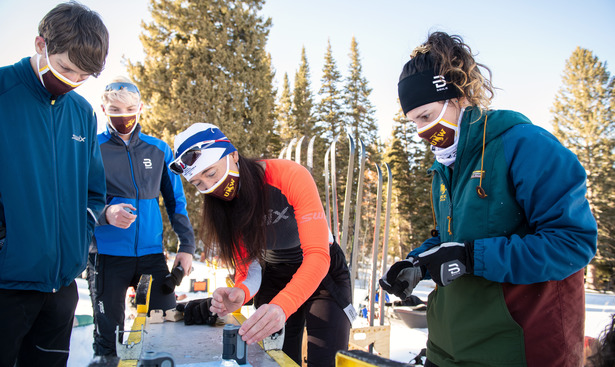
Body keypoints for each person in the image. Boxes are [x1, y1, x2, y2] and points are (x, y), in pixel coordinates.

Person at [380, 31, 597, 367]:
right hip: (448, 347)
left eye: (426, 116)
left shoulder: (524, 145)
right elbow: (453, 239)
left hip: (515, 348)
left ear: (458, 96)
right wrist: (419, 263)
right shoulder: (446, 166)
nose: (423, 133)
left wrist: (471, 258)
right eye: (413, 123)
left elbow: (573, 243)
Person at [169, 123, 353, 367]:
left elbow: (318, 256)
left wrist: (282, 306)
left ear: (232, 154)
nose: (210, 187)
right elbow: (250, 269)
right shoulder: (224, 212)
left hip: (323, 275)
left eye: (211, 173)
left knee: (327, 360)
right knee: (275, 361)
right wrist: (240, 293)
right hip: (275, 275)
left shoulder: (288, 175)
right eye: (199, 184)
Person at [0, 3, 108, 366]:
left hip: (62, 290)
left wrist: (82, 232)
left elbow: (94, 191)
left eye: (83, 76)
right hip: (6, 287)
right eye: (64, 68)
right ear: (40, 44)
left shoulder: (81, 112)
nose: (72, 81)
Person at [87, 77, 196, 359]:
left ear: (141, 107)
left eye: (130, 110)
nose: (124, 117)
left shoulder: (158, 149)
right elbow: (75, 199)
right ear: (103, 108)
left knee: (165, 327)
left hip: (150, 256)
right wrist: (105, 213)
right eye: (115, 110)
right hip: (107, 256)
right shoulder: (91, 149)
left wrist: (186, 246)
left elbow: (176, 201)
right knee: (109, 338)